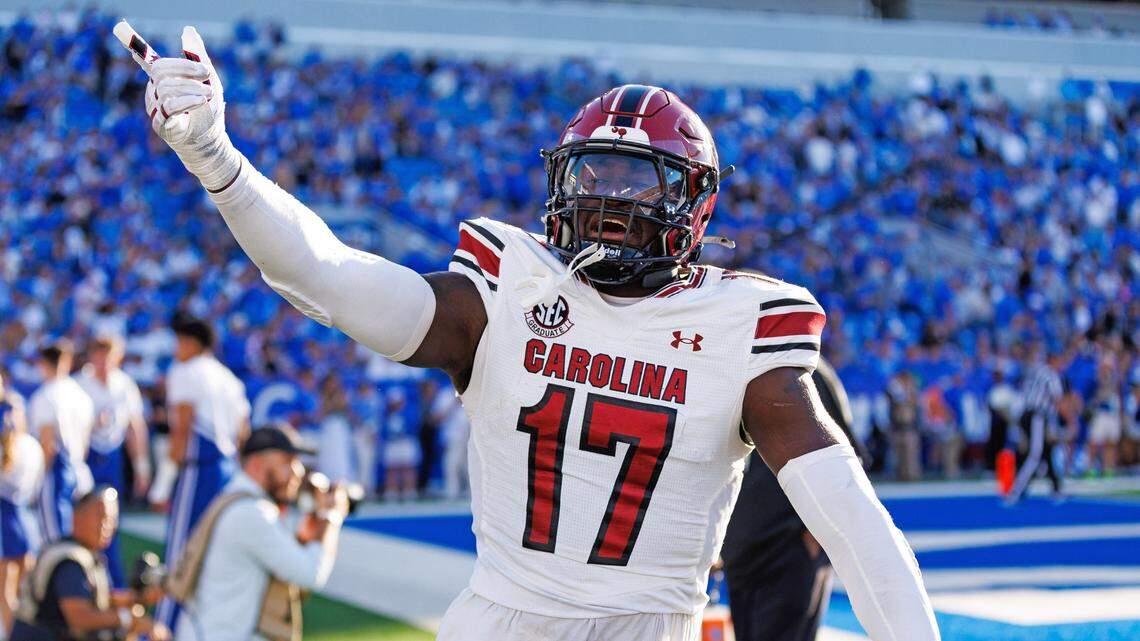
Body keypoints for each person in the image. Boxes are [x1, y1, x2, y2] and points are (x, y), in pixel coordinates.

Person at [118, 26, 939, 641]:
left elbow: (851, 520)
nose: (611, 206)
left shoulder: (740, 329)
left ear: (697, 206)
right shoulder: (503, 290)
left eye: (638, 183)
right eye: (593, 177)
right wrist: (217, 159)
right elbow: (329, 279)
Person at [721, 357, 868, 641]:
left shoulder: (806, 370)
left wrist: (814, 537)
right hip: (742, 549)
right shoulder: (734, 362)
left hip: (787, 547)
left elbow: (845, 461)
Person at [167, 424, 346, 641]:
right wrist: (331, 517)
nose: (298, 472)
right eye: (288, 461)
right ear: (256, 464)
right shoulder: (251, 513)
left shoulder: (239, 499)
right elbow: (310, 574)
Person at [148, 316, 250, 636]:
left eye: (179, 341)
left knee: (180, 554)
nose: (176, 349)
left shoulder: (185, 372)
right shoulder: (228, 378)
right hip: (228, 469)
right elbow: (242, 432)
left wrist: (162, 486)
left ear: (192, 343)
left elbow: (181, 432)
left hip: (199, 470)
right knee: (214, 554)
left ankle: (163, 627)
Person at [10, 487, 168, 641]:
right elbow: (79, 616)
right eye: (100, 516)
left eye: (112, 520)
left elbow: (96, 600)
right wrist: (128, 619)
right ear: (76, 517)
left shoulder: (87, 554)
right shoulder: (70, 559)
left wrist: (134, 599)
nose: (106, 525)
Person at [75, 337, 151, 587]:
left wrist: (141, 465)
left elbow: (134, 426)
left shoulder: (124, 384)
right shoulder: (80, 384)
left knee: (111, 520)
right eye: (99, 355)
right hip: (88, 456)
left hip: (113, 457)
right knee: (84, 517)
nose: (104, 362)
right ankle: (83, 578)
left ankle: (111, 581)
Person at [28, 341, 94, 544]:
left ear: (43, 363)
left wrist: (35, 481)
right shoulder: (80, 394)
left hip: (55, 472)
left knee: (54, 540)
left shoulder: (46, 395)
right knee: (78, 534)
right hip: (79, 469)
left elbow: (48, 444)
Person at [1, 374, 42, 635]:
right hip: (27, 521)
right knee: (26, 593)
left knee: (5, 591)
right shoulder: (32, 445)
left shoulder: (10, 450)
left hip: (4, 524)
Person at [1006, 347, 1064, 504]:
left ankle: (1057, 489)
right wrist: (1055, 425)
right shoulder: (1050, 375)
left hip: (1028, 414)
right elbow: (1057, 401)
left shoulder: (1036, 371)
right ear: (1053, 359)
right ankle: (1016, 491)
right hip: (1037, 416)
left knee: (1046, 452)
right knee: (1035, 455)